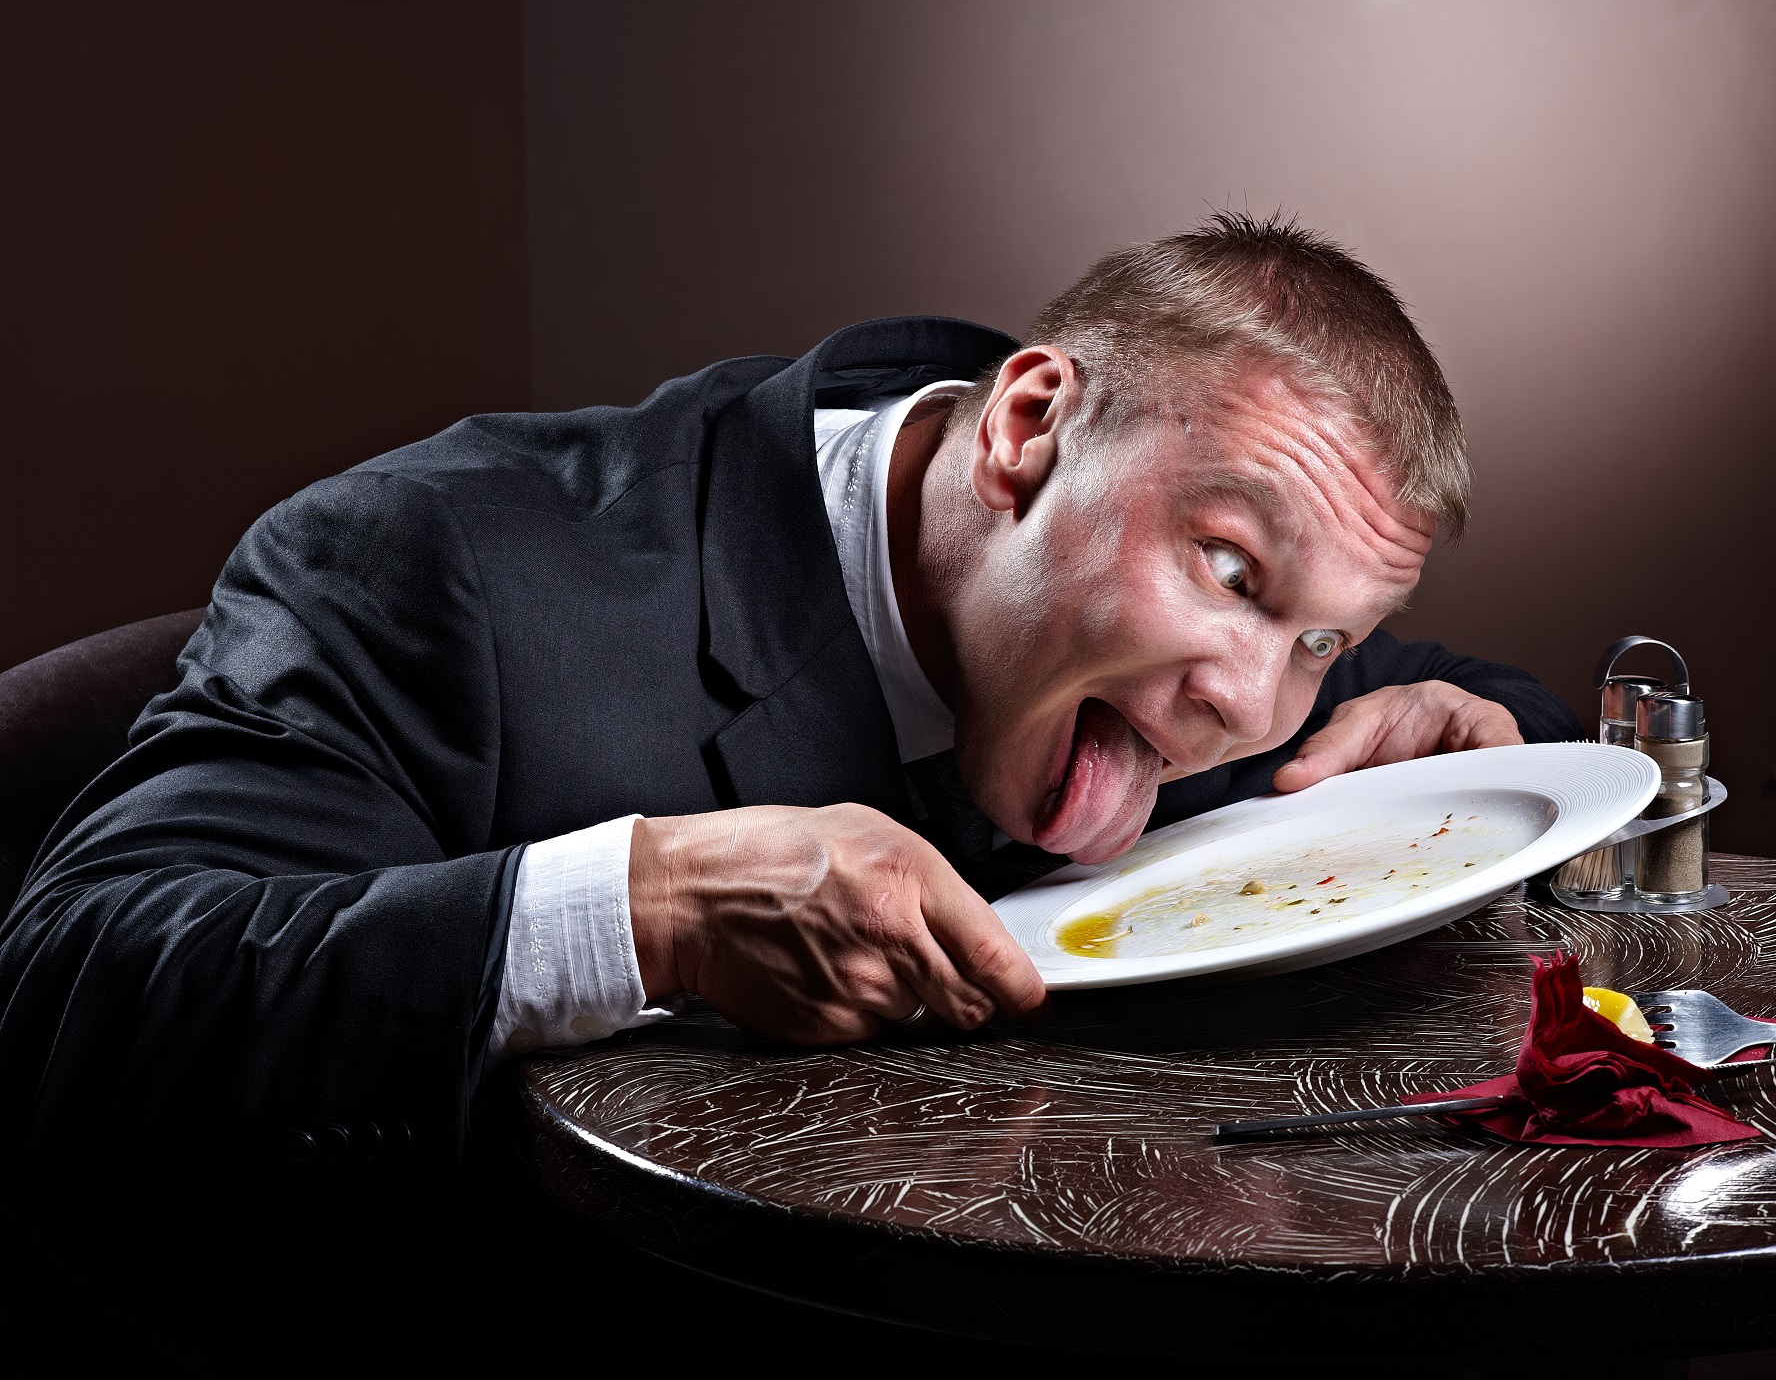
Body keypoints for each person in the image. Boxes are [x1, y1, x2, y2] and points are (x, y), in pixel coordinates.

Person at [0, 214, 1579, 1199]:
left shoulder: (1201, 644)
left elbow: (1461, 702)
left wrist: (1460, 724)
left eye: (1324, 639)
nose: (1252, 700)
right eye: (1233, 572)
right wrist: (644, 908)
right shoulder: (450, 565)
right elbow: (70, 983)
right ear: (1029, 431)